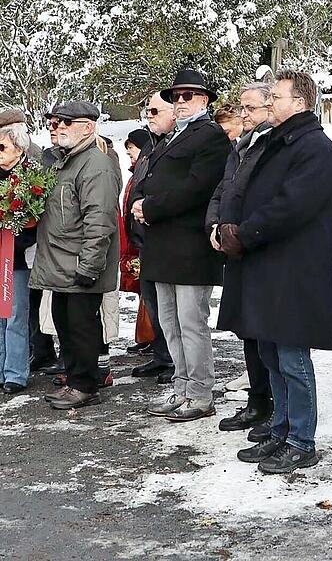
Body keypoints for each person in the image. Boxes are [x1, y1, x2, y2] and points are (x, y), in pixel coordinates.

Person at [216, 70, 332, 473]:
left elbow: (291, 205)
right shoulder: (279, 141)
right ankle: (281, 430)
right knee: (270, 351)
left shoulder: (314, 147)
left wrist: (245, 233)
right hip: (269, 264)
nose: (269, 104)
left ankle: (302, 440)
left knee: (292, 355)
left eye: (276, 97)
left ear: (299, 103)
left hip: (295, 268)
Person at [132, 70, 230, 422]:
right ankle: (182, 387)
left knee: (191, 322)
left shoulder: (211, 136)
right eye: (176, 96)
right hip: (162, 244)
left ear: (205, 99)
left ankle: (201, 393)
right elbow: (150, 176)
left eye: (188, 95)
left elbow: (198, 187)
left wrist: (151, 206)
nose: (181, 101)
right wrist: (139, 201)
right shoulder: (173, 136)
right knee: (169, 324)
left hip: (190, 246)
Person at [30, 101, 121, 410]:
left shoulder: (95, 164)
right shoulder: (63, 161)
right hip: (60, 264)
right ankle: (74, 380)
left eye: (67, 122)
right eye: (56, 122)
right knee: (65, 324)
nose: (60, 127)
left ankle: (85, 385)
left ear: (88, 127)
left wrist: (90, 265)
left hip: (80, 264)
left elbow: (100, 219)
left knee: (82, 327)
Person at [205, 82, 276, 442]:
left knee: (264, 329)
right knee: (246, 327)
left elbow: (266, 199)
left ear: (270, 108)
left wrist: (239, 232)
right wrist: (215, 226)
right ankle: (258, 398)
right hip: (233, 245)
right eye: (242, 109)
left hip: (255, 245)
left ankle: (272, 402)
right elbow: (222, 190)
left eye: (251, 109)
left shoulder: (270, 144)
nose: (244, 115)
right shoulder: (239, 146)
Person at [127, 93, 175, 382]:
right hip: (145, 238)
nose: (149, 115)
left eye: (155, 110)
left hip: (164, 238)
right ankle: (161, 354)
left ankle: (173, 361)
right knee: (154, 305)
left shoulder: (170, 145)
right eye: (147, 110)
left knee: (171, 309)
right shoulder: (151, 145)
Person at [0, 125, 38, 394]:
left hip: (16, 257)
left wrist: (14, 237)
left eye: (2, 147)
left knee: (14, 315)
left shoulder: (30, 178)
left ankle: (14, 372)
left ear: (19, 149)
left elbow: (34, 221)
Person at [28, 112, 60, 375]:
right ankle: (41, 349)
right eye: (50, 124)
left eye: (59, 123)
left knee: (53, 302)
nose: (53, 128)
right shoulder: (47, 154)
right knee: (34, 302)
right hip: (34, 241)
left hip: (54, 242)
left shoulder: (37, 157)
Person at [120, 129, 154, 354]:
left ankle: (151, 338)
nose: (129, 154)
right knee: (143, 293)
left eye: (131, 148)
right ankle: (146, 337)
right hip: (136, 241)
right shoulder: (134, 174)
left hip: (143, 242)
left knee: (149, 294)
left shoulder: (144, 172)